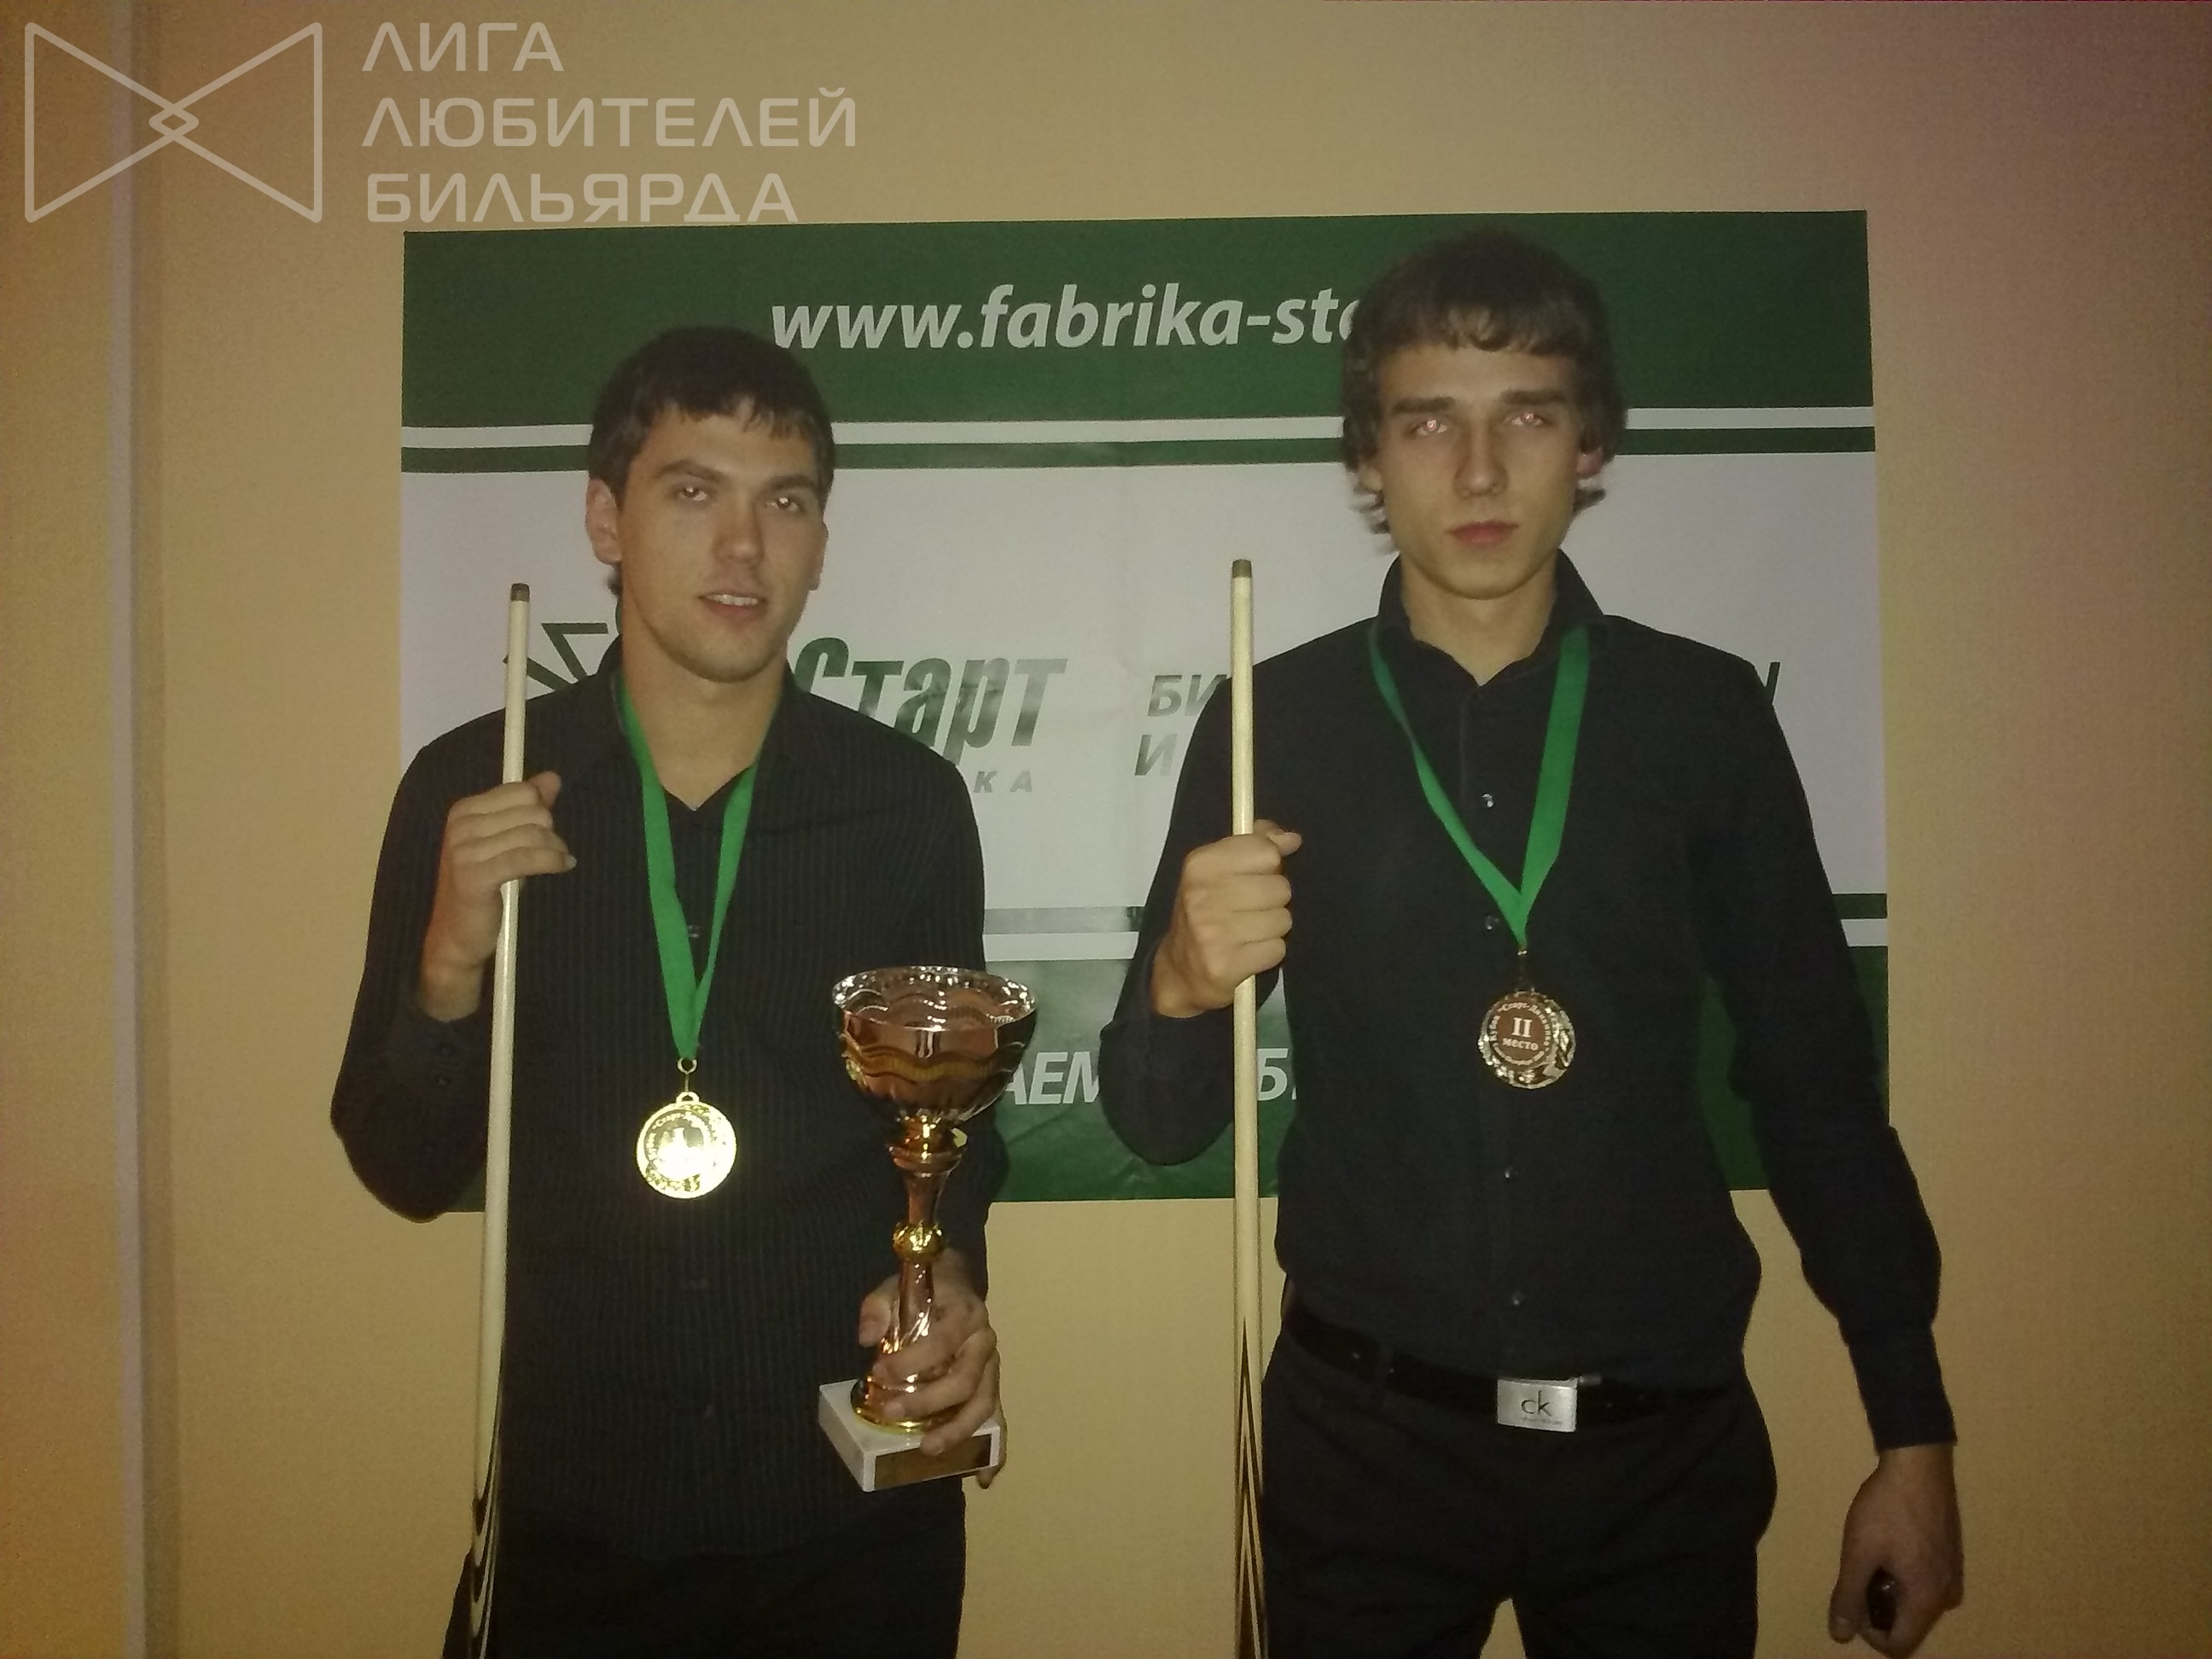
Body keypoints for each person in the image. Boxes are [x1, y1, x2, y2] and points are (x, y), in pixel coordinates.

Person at [1098, 228, 1963, 1659]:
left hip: (1657, 1461)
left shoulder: (1705, 721)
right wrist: (1183, 990)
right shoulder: (1273, 722)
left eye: (1530, 416)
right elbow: (1159, 1122)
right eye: (1429, 420)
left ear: (1591, 442)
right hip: (1363, 1455)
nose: (1482, 471)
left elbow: (1816, 1090)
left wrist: (1913, 1433)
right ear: (1369, 458)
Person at [332, 327, 1003, 1658]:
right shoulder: (473, 789)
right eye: (694, 492)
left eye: (786, 501)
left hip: (848, 1520)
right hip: (580, 1523)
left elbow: (952, 1136)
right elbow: (400, 1165)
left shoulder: (908, 807)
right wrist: (450, 963)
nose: (744, 546)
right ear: (607, 519)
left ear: (820, 538)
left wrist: (950, 1286)